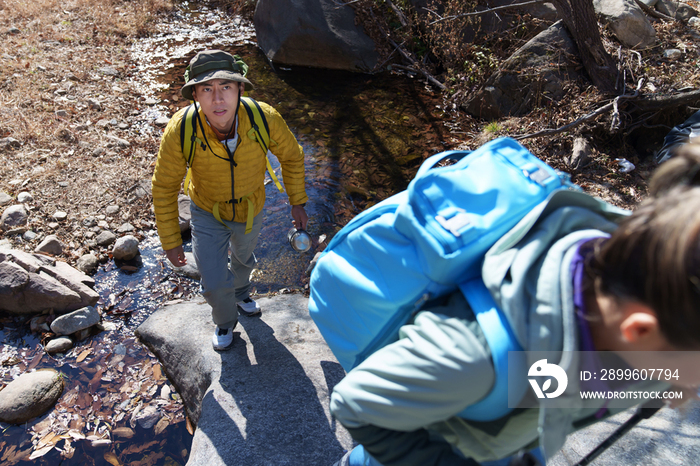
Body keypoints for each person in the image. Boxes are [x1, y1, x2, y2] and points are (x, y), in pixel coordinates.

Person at [329, 181, 700, 465]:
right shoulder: (472, 356)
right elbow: (356, 405)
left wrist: (659, 380)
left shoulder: (638, 306)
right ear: (639, 330)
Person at [152, 50, 308, 351]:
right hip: (206, 210)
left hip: (252, 206)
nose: (217, 99)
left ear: (240, 89)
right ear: (195, 95)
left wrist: (297, 201)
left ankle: (242, 293)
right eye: (207, 89)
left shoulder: (264, 118)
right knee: (211, 279)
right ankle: (225, 322)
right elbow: (164, 186)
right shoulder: (181, 129)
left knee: (243, 259)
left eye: (226, 87)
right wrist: (170, 240)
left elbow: (292, 156)